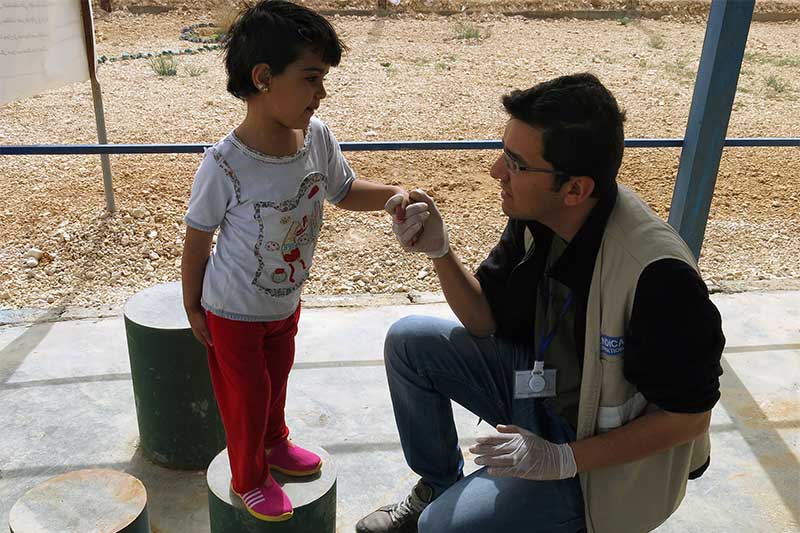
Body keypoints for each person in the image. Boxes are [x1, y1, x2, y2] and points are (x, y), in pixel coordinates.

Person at [358, 73, 724, 533]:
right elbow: (483, 319)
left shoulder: (659, 277)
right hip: (542, 395)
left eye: (515, 163)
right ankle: (438, 482)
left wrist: (562, 459)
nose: (496, 171)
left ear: (575, 189)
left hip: (597, 461)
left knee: (441, 528)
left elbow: (689, 419)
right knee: (410, 341)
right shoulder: (540, 216)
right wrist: (440, 252)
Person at [181, 0, 407, 522]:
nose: (321, 92)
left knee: (277, 377)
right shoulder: (225, 163)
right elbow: (198, 237)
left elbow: (344, 191)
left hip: (284, 299)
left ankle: (276, 444)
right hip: (232, 309)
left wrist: (395, 192)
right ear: (263, 78)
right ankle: (249, 474)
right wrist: (193, 306)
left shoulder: (317, 138)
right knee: (247, 395)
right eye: (310, 78)